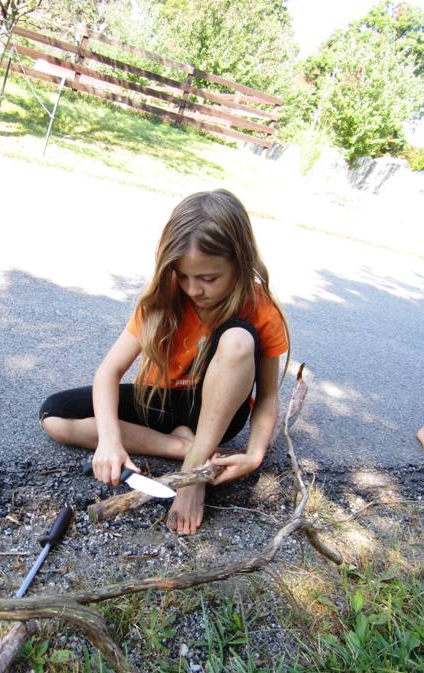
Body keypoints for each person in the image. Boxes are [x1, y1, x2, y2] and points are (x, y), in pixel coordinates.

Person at [39, 189, 289, 535]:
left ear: (240, 262)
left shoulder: (260, 307)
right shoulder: (164, 294)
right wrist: (109, 441)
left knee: (238, 339)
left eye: (208, 279)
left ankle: (194, 465)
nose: (193, 289)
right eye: (183, 276)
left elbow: (267, 396)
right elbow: (109, 372)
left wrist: (255, 453)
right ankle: (185, 445)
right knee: (55, 416)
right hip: (159, 400)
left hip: (218, 412)